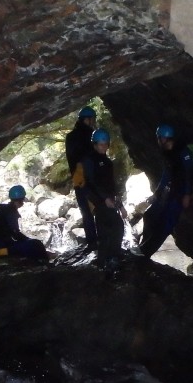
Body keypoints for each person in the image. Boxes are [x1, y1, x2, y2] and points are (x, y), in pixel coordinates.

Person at [136, 124, 193, 258]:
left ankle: (145, 252)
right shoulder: (168, 152)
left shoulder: (183, 152)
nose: (158, 141)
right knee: (149, 215)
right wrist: (157, 191)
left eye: (159, 138)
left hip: (180, 193)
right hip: (170, 190)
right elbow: (166, 173)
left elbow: (189, 175)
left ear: (164, 138)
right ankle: (143, 245)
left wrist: (187, 194)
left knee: (166, 224)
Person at [75, 128, 127, 272]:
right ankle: (109, 260)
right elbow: (90, 183)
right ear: (95, 144)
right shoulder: (89, 160)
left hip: (106, 201)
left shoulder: (108, 163)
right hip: (96, 201)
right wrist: (103, 199)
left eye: (105, 144)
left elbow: (112, 187)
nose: (103, 146)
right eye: (100, 144)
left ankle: (104, 262)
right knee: (114, 227)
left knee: (111, 230)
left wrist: (120, 206)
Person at [65, 106, 99, 251]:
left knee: (86, 212)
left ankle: (93, 242)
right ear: (87, 119)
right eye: (92, 119)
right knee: (97, 209)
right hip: (89, 178)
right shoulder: (91, 136)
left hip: (78, 178)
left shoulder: (71, 137)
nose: (93, 122)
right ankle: (98, 242)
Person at [0, 185, 49, 261]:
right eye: (22, 200)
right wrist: (28, 240)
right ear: (20, 200)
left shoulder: (4, 210)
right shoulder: (10, 212)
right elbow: (15, 233)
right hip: (1, 249)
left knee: (31, 243)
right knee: (36, 244)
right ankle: (45, 263)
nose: (23, 202)